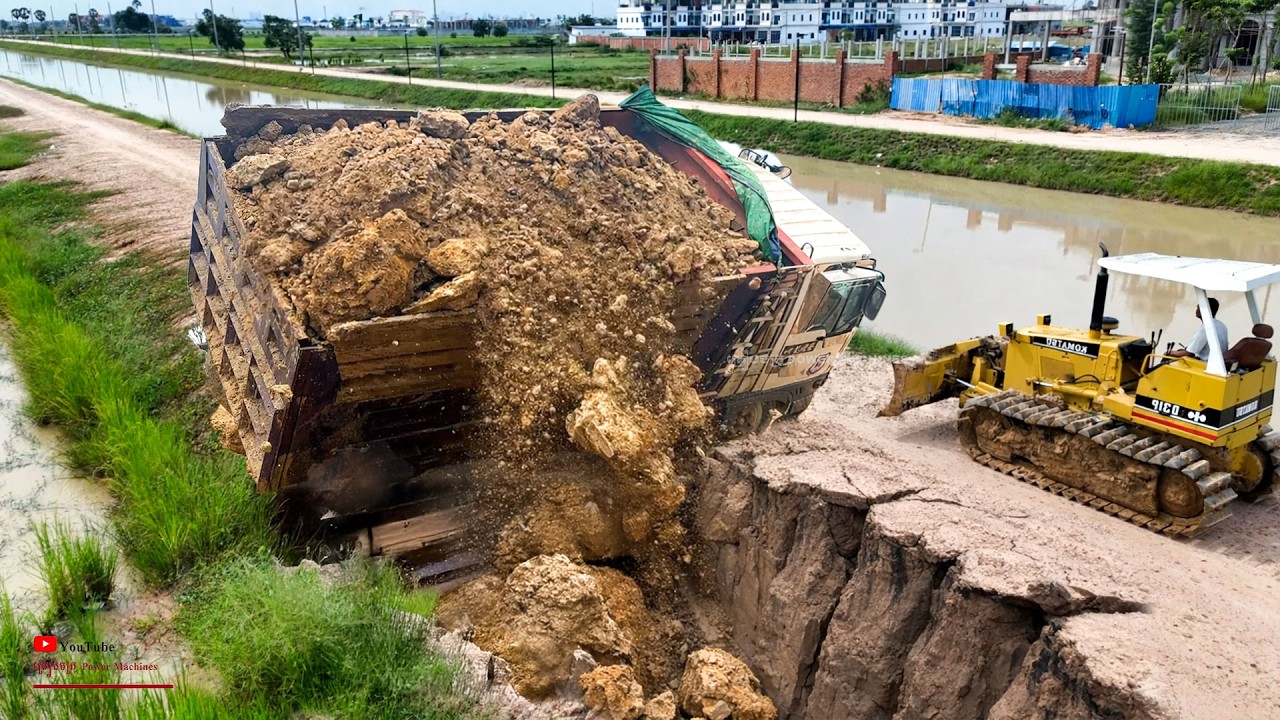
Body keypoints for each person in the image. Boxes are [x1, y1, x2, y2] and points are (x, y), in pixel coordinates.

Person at [1170, 297, 1228, 361]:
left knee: (1169, 356)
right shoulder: (1221, 325)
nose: (1197, 309)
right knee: (1179, 351)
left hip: (1206, 363)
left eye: (1199, 307)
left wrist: (1169, 352)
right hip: (1220, 361)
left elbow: (1189, 353)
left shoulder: (1206, 327)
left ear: (1205, 309)